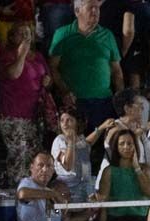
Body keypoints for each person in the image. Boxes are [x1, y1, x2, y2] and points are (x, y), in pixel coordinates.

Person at [49, 0, 123, 133]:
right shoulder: (63, 34)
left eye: (97, 8)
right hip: (75, 102)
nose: (95, 11)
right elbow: (52, 67)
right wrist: (64, 90)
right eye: (91, 8)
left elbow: (117, 71)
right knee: (78, 145)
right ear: (77, 11)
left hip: (103, 102)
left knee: (102, 146)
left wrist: (121, 100)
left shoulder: (107, 35)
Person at [0, 21, 49, 186]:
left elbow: (46, 76)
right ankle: (17, 190)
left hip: (35, 114)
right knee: (20, 153)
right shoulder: (7, 55)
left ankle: (33, 189)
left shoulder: (38, 56)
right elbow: (13, 74)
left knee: (34, 154)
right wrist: (21, 54)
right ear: (12, 37)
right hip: (13, 113)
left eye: (28, 33)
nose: (26, 37)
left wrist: (48, 81)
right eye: (21, 33)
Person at [96, 127, 150, 221]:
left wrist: (136, 168)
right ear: (116, 147)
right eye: (122, 144)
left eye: (130, 143)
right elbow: (103, 203)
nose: (126, 147)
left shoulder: (144, 168)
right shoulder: (109, 171)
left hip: (141, 220)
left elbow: (149, 191)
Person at [16, 152, 67, 221]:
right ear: (31, 167)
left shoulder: (49, 192)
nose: (44, 170)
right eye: (40, 165)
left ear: (53, 170)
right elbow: (22, 194)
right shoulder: (27, 183)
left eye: (49, 166)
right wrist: (54, 195)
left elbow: (58, 214)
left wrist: (60, 206)